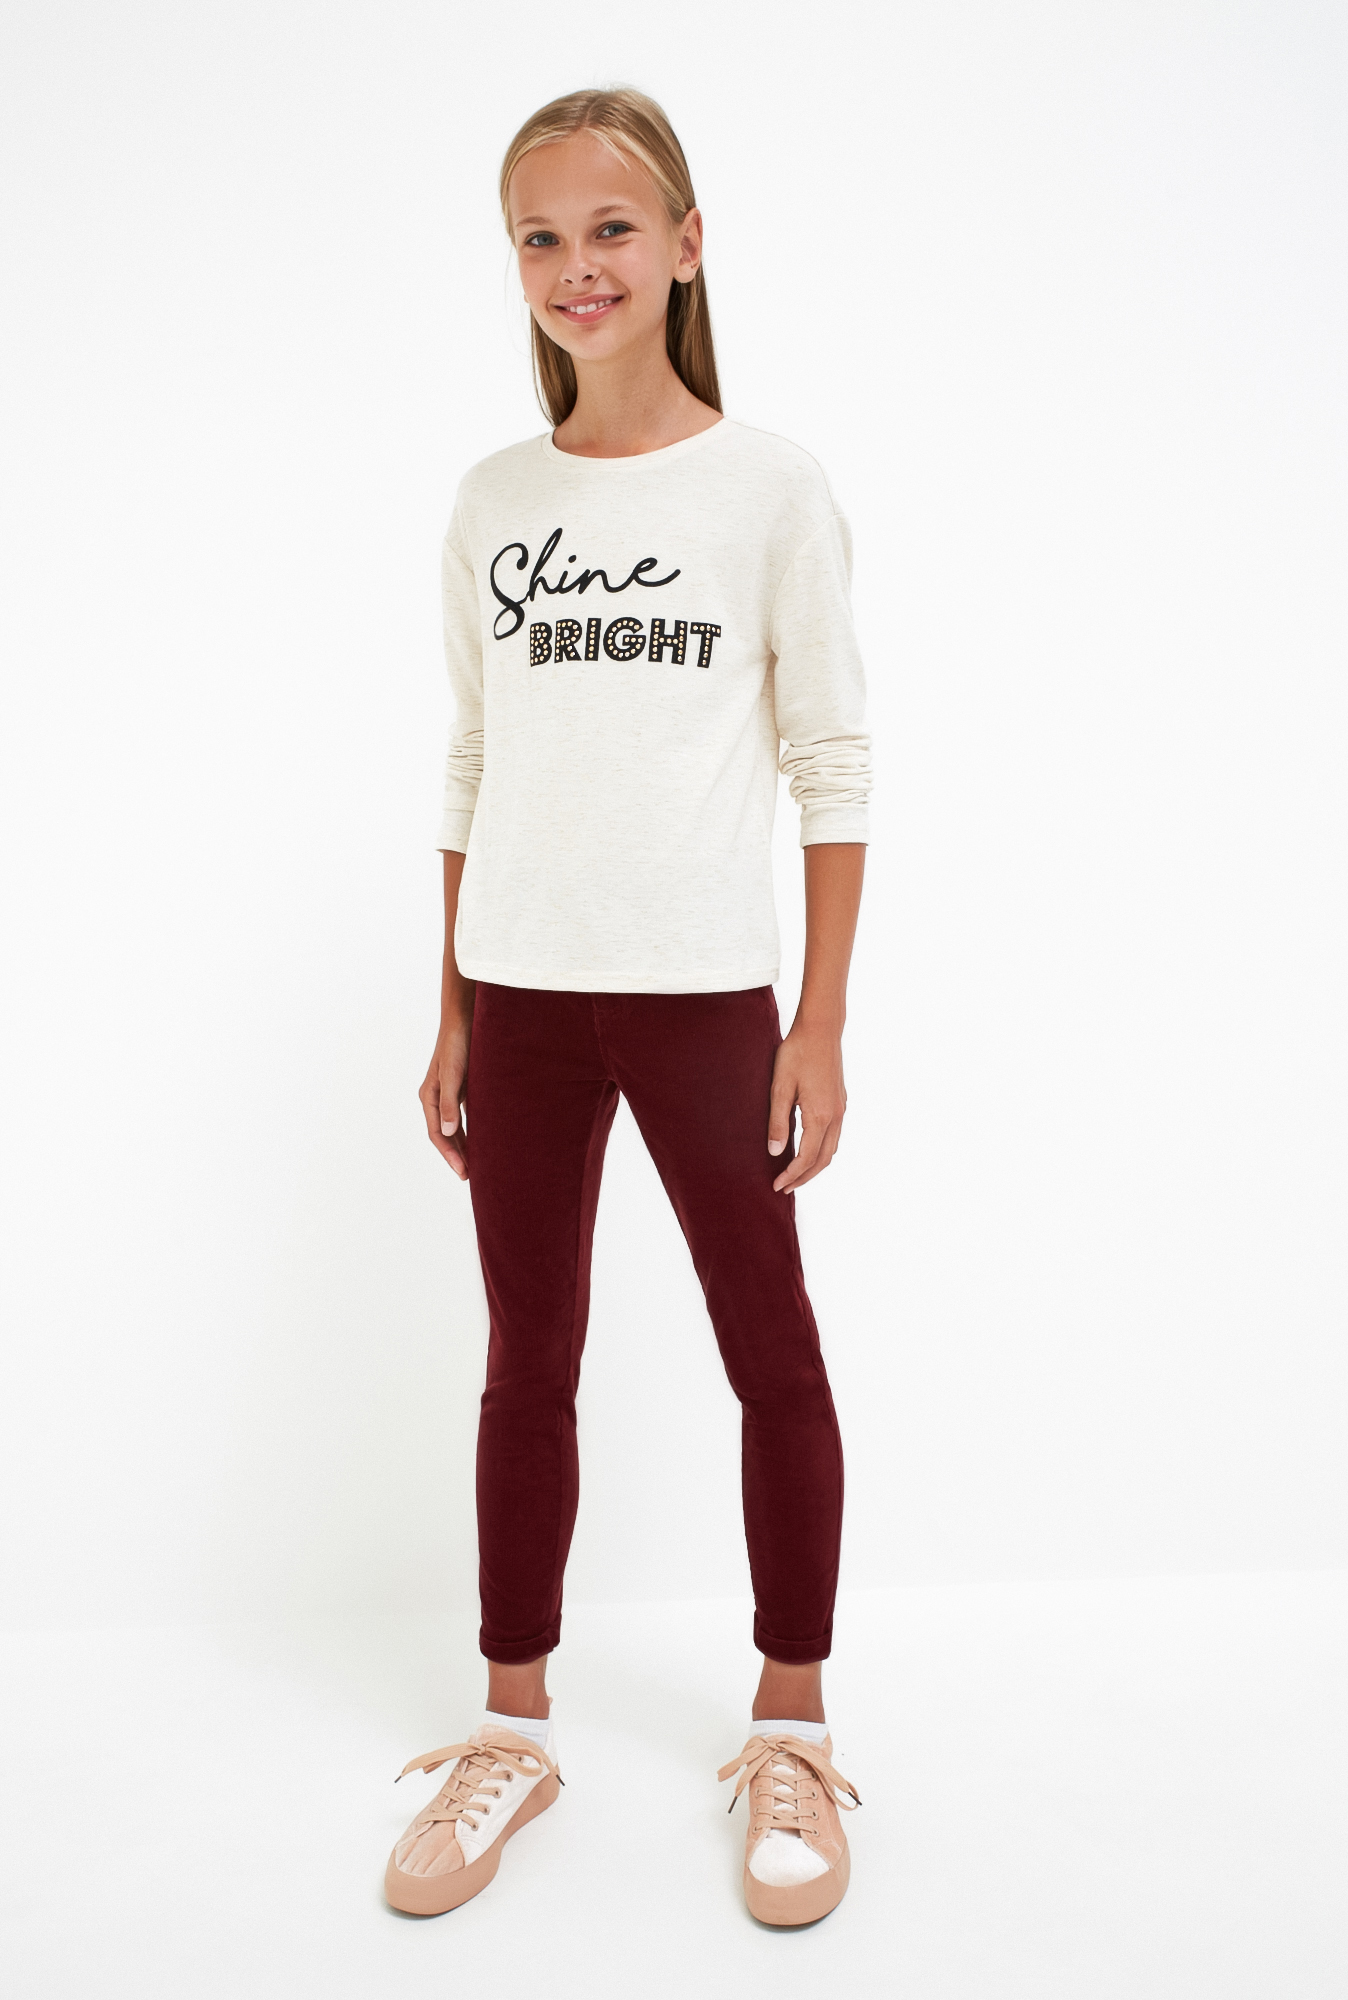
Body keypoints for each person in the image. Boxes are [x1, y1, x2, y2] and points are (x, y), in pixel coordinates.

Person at [384, 86, 870, 1928]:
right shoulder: (494, 503)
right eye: (540, 236)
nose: (576, 266)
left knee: (771, 1351)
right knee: (529, 1358)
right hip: (518, 1001)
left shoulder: (769, 491)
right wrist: (450, 1009)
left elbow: (831, 759)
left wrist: (818, 1025)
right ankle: (510, 1724)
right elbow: (473, 758)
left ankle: (793, 1720)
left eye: (610, 229)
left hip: (700, 1003)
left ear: (683, 245)